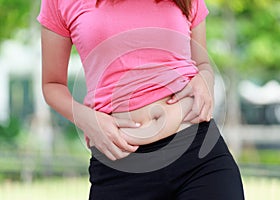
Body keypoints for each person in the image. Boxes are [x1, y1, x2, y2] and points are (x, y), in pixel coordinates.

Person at [37, 0, 244, 199]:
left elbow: (202, 63)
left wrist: (206, 79)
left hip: (198, 153)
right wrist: (88, 120)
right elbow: (52, 85)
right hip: (120, 164)